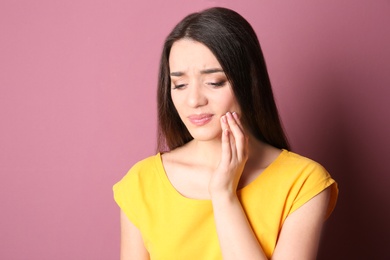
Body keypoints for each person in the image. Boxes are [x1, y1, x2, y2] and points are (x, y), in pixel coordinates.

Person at [113, 6, 338, 260]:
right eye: (180, 84)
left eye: (214, 82)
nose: (194, 100)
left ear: (249, 82)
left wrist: (223, 196)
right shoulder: (142, 183)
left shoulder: (303, 183)